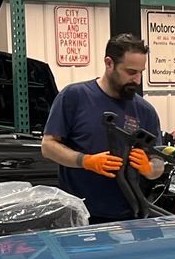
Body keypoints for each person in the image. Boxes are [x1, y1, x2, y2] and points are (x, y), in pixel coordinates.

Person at [40, 32, 162, 221]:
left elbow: (158, 163)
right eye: (131, 72)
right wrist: (86, 161)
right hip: (79, 216)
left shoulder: (145, 111)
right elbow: (48, 147)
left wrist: (149, 169)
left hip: (128, 218)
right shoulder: (74, 97)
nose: (137, 80)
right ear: (109, 63)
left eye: (140, 73)